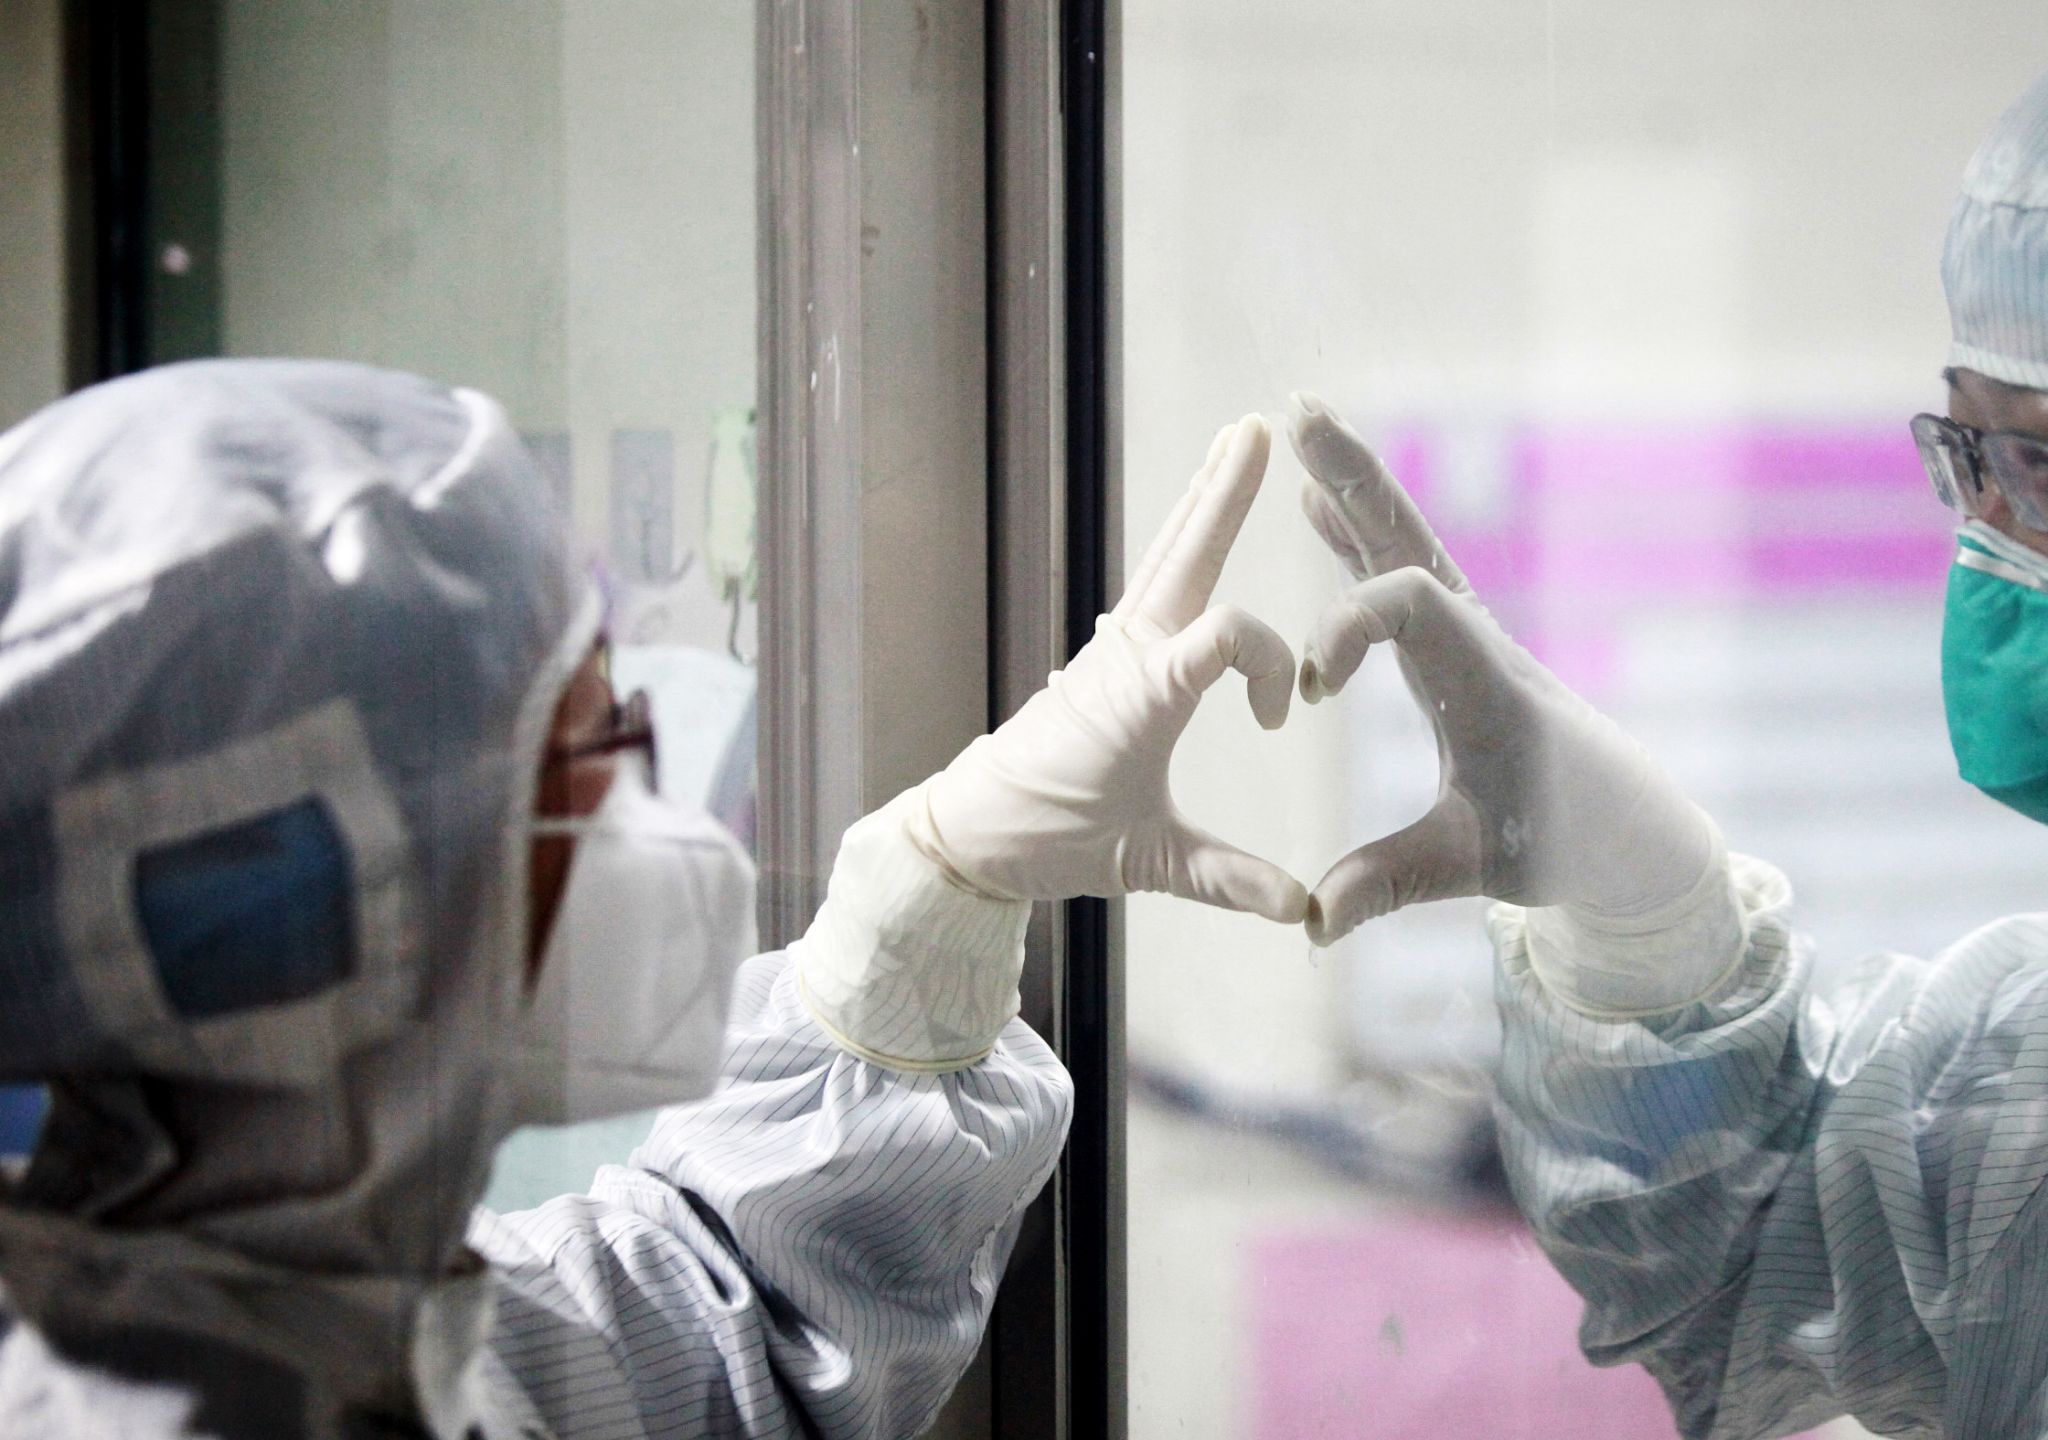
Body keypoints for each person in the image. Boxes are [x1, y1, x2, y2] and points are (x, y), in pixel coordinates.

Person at [1282, 0, 2048, 1434]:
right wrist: (1646, 926)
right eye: (1963, 454)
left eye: (2047, 465)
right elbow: (1737, 1250)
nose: (1987, 538)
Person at [0, 359, 1302, 1437]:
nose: (653, 789)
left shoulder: (341, 1335)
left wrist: (938, 888)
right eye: (582, 747)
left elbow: (726, 1328)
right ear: (333, 898)